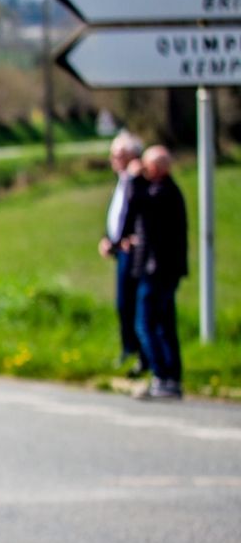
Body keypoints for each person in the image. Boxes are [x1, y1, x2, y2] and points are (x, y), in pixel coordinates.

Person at [121, 145, 189, 400]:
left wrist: (133, 178)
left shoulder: (161, 193)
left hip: (156, 270)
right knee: (164, 325)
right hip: (164, 270)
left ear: (157, 168)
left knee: (146, 324)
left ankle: (162, 375)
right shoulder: (167, 191)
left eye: (148, 167)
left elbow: (137, 204)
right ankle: (171, 377)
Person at [97, 130, 148, 378]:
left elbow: (138, 217)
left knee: (135, 305)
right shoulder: (123, 180)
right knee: (123, 305)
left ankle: (142, 355)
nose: (113, 159)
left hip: (136, 253)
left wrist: (126, 240)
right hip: (122, 251)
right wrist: (110, 240)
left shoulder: (137, 180)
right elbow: (119, 217)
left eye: (119, 154)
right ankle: (130, 350)